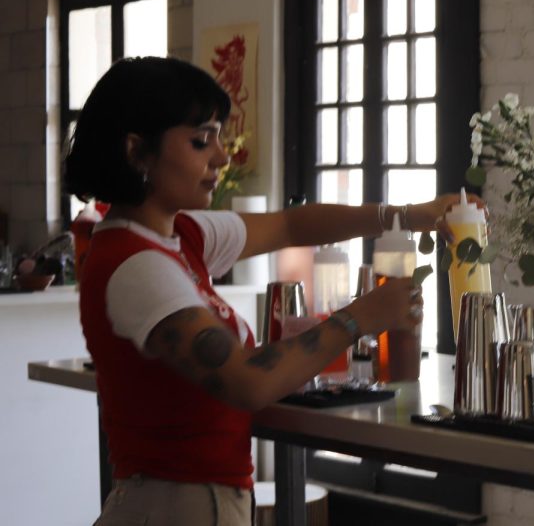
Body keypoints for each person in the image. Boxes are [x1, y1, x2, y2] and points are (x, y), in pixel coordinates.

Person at [65, 56, 479, 526]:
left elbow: (289, 223)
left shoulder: (183, 236)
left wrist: (406, 214)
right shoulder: (137, 265)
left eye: (219, 137)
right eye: (201, 141)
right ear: (137, 151)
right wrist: (358, 318)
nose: (222, 156)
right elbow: (248, 382)